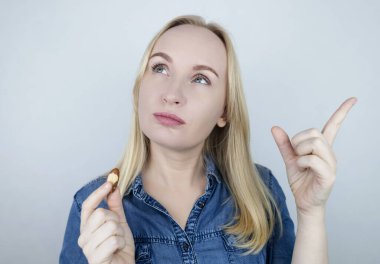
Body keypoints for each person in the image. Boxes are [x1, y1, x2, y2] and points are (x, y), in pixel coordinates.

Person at [59, 15, 357, 264]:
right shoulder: (92, 206)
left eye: (200, 78)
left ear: (224, 111)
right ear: (139, 89)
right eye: (160, 68)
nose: (172, 94)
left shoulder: (261, 191)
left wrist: (311, 213)